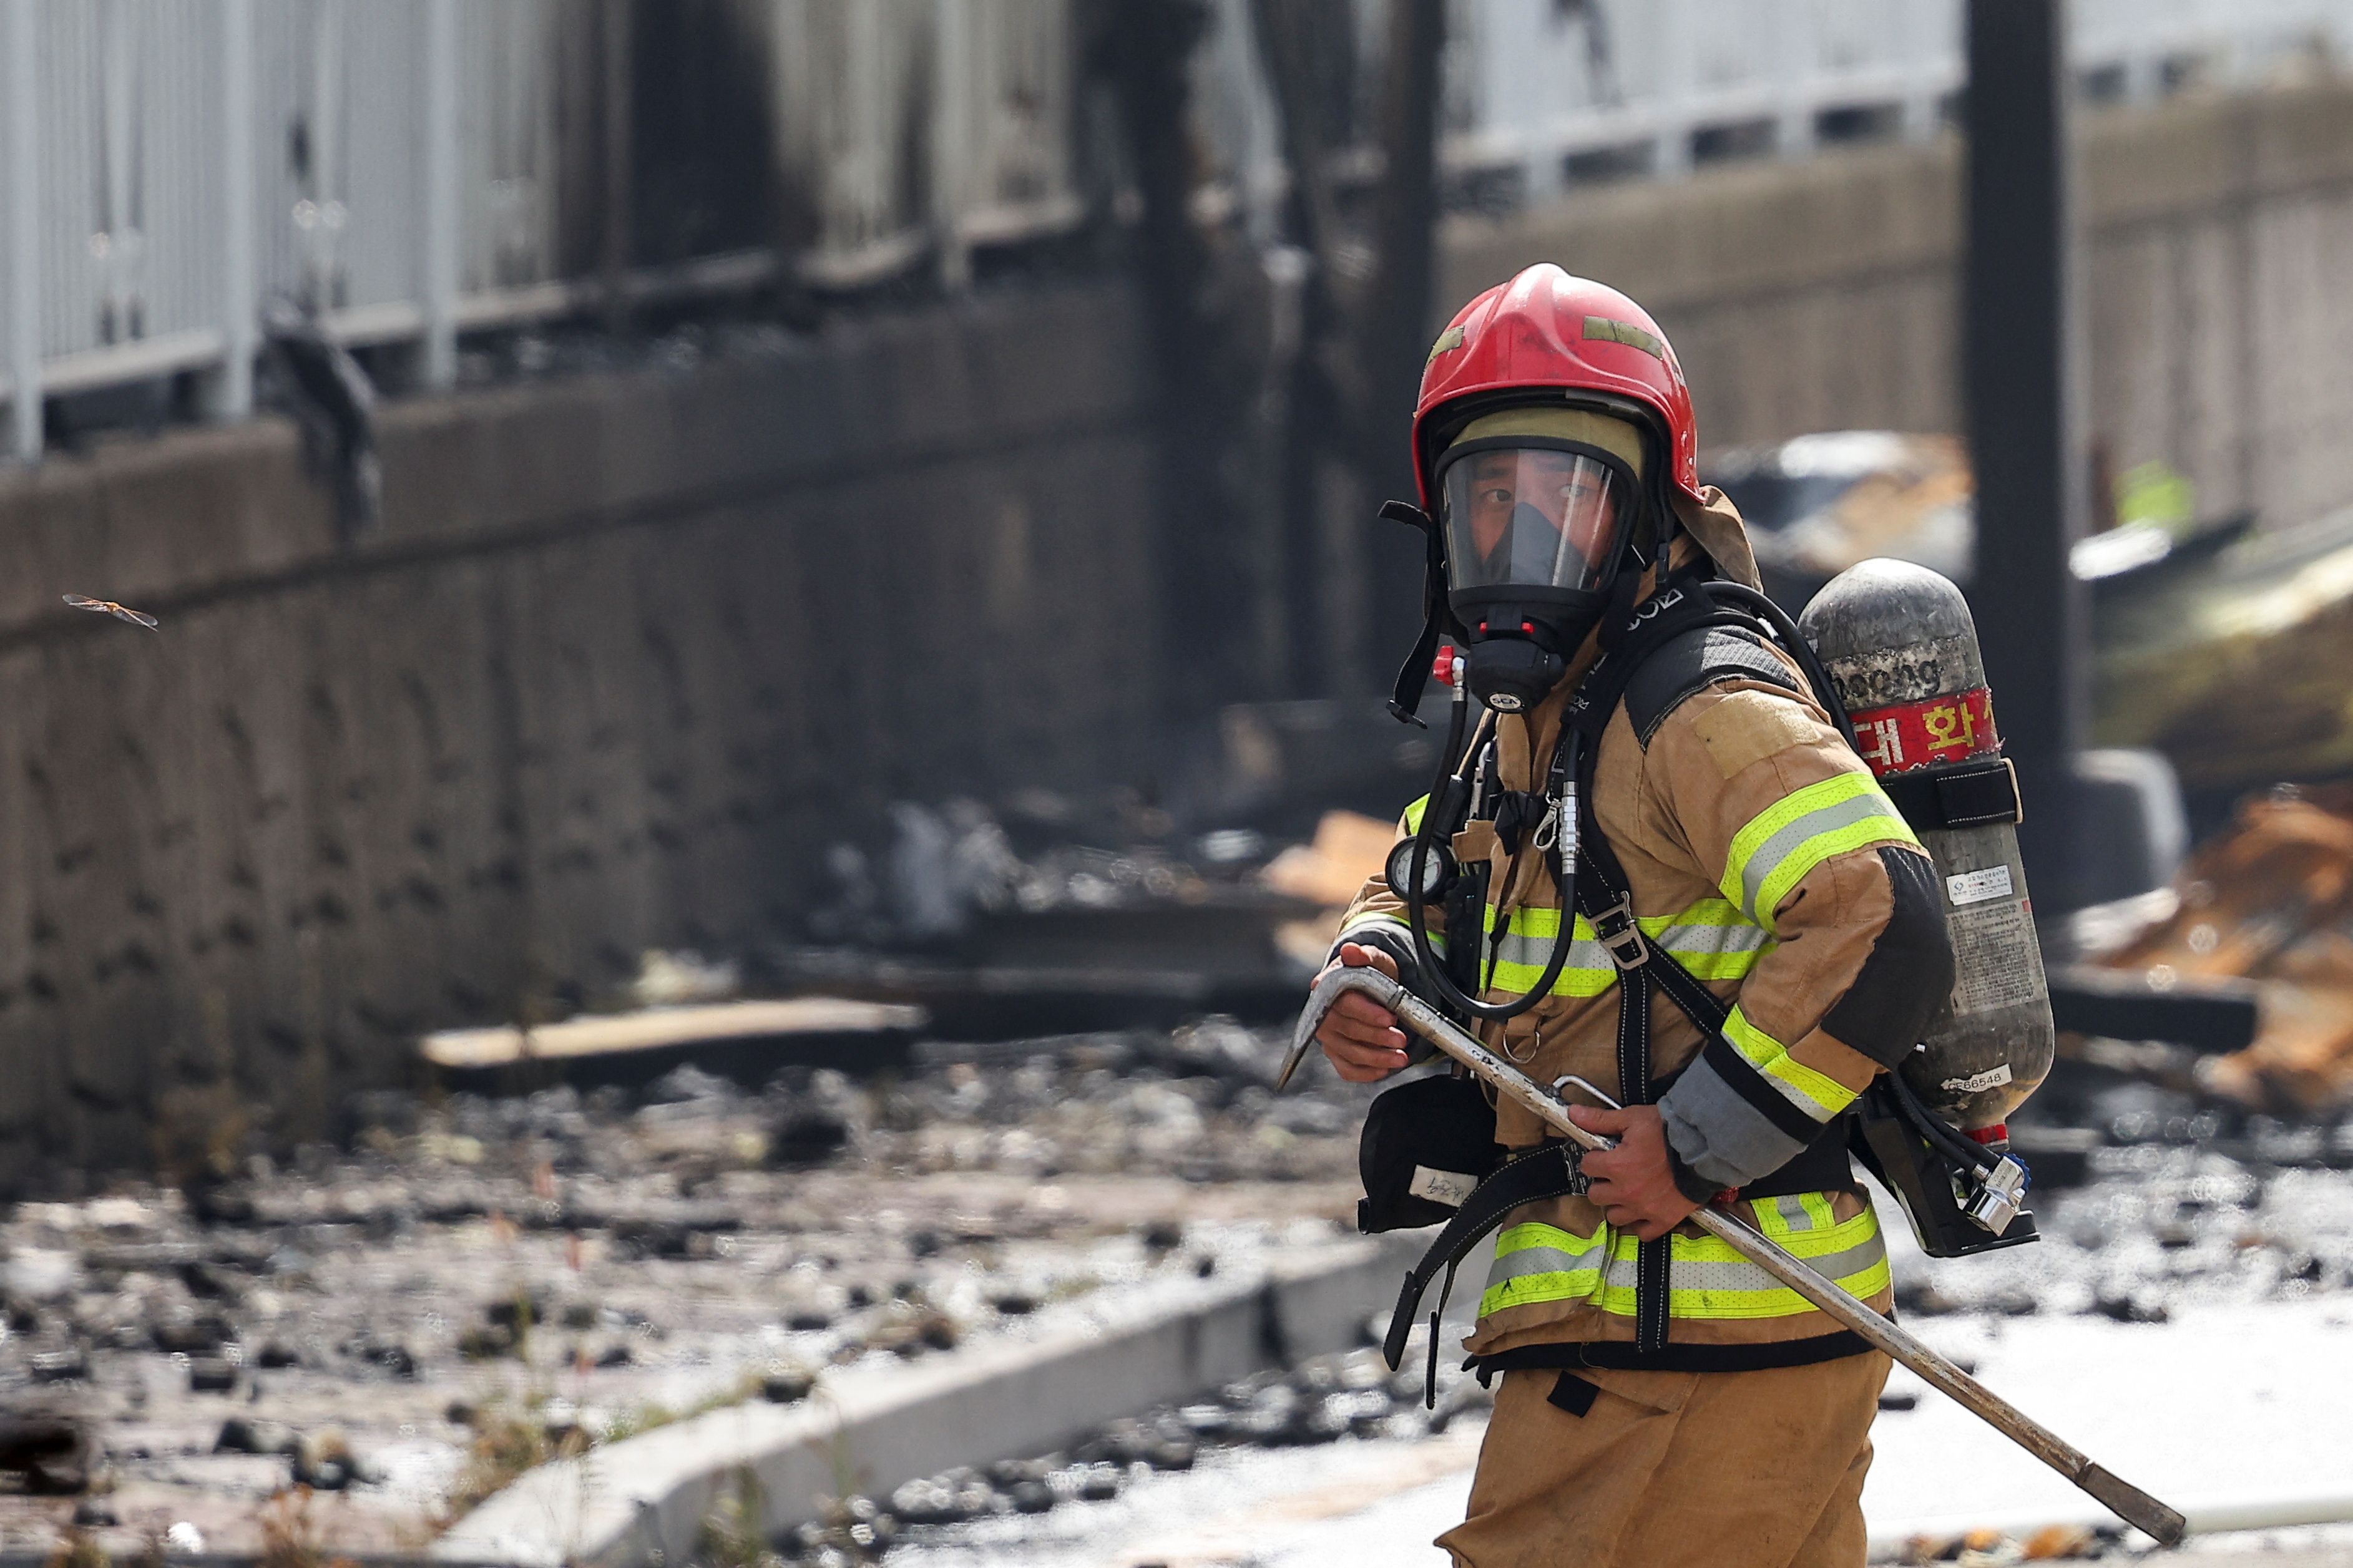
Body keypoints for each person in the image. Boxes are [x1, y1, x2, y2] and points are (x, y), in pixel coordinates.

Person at [1314, 265, 1954, 1568]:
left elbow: (1879, 917)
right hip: (1664, 1342)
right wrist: (1376, 960)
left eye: (1563, 490)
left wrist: (1699, 1142)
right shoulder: (1529, 720)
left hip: (1696, 1336)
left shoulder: (1694, 706)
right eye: (1487, 496)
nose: (1521, 532)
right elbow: (1440, 868)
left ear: (1641, 506)